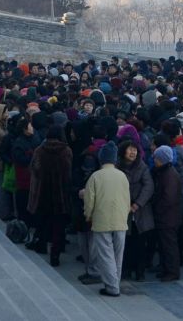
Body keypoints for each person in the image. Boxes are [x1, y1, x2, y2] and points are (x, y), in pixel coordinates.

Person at [83, 141, 131, 297]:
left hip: (102, 220)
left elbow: (89, 200)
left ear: (101, 158)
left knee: (106, 255)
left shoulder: (95, 176)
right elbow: (127, 199)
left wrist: (88, 215)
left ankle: (112, 287)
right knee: (118, 255)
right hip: (121, 220)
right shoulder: (122, 176)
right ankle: (115, 282)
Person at [28, 125, 73, 266]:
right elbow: (68, 173)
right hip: (61, 194)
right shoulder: (66, 151)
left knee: (43, 220)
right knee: (58, 226)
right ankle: (55, 254)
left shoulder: (40, 150)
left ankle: (41, 245)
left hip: (42, 192)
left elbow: (34, 169)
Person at [117, 138, 154, 282]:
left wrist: (137, 204)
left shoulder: (142, 167)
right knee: (125, 242)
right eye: (130, 149)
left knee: (140, 242)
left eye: (135, 150)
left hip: (140, 210)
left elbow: (148, 186)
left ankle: (140, 272)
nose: (133, 152)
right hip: (123, 209)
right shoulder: (117, 166)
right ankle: (125, 269)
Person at [150, 145, 182, 282]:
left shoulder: (169, 175)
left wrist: (157, 209)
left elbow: (168, 198)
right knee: (165, 245)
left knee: (169, 246)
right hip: (168, 216)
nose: (154, 159)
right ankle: (166, 269)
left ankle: (172, 271)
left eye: (156, 158)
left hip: (168, 217)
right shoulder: (166, 172)